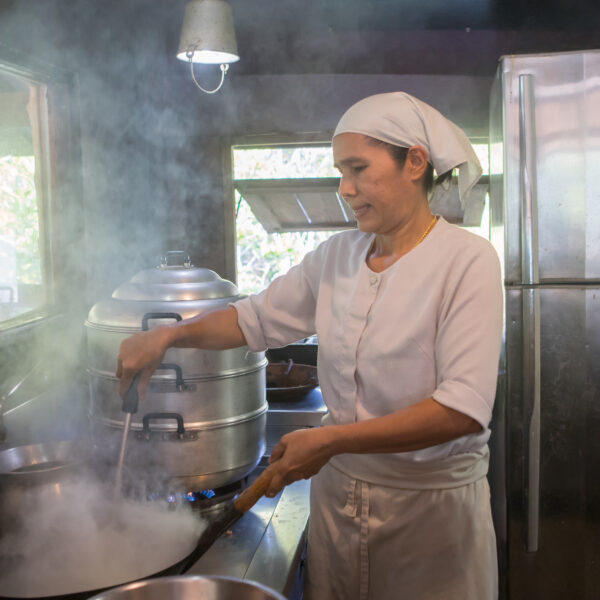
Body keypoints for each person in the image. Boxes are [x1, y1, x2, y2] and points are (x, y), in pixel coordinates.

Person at [117, 92, 503, 600]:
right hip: (338, 509)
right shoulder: (337, 257)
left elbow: (462, 411)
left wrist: (331, 440)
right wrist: (169, 335)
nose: (345, 188)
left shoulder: (468, 261)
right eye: (340, 171)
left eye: (359, 168)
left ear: (414, 161)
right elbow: (252, 319)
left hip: (429, 523)